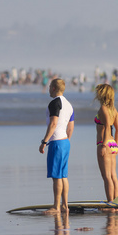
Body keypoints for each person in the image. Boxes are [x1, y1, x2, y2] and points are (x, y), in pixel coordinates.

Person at [39, 78, 75, 214]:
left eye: (49, 87)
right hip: (65, 141)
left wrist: (44, 141)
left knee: (57, 176)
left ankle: (56, 206)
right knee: (63, 175)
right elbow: (71, 126)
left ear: (54, 88)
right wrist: (66, 141)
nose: (48, 89)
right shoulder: (69, 105)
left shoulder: (54, 103)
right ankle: (65, 205)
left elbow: (53, 124)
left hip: (57, 142)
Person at [94, 84, 118, 202]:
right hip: (113, 144)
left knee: (106, 177)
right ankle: (115, 202)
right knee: (113, 176)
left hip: (104, 143)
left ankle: (111, 203)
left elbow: (106, 127)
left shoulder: (103, 109)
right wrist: (115, 144)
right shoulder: (113, 110)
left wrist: (104, 145)